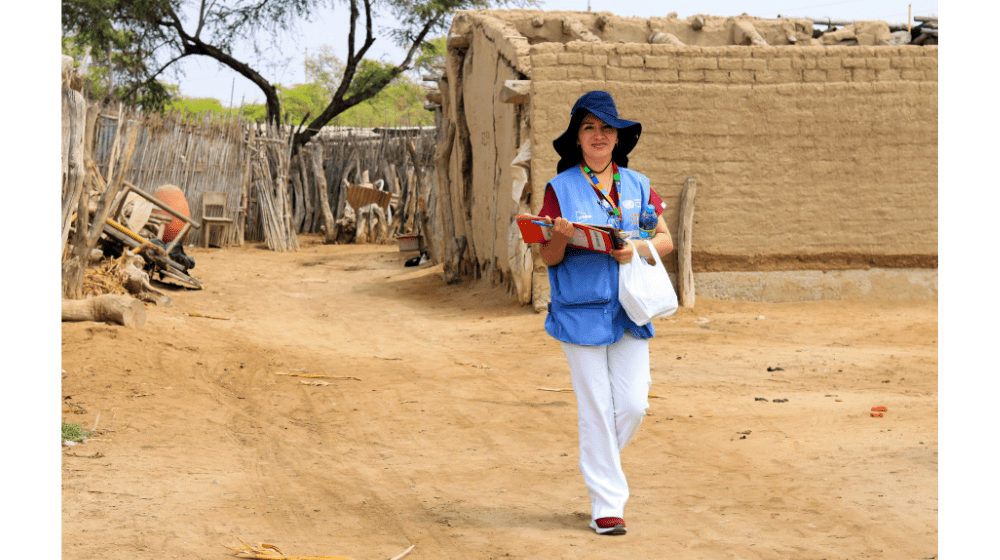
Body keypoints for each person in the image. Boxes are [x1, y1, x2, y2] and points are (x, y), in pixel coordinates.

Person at [538, 90, 673, 536]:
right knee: (595, 406)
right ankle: (606, 506)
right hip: (579, 310)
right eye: (589, 128)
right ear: (577, 138)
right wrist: (559, 235)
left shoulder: (638, 185)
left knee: (633, 404)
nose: (598, 135)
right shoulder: (560, 189)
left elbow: (666, 239)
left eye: (606, 128)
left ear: (618, 138)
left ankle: (598, 466)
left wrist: (634, 248)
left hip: (631, 309)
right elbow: (548, 258)